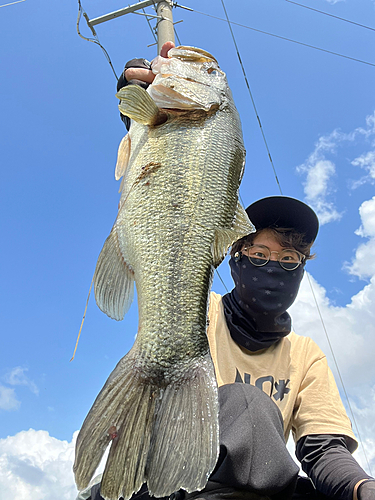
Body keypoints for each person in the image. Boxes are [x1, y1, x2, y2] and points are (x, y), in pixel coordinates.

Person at [77, 43, 375, 500]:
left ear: (301, 271)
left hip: (262, 488)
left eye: (289, 260)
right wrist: (138, 115)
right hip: (175, 485)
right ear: (232, 256)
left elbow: (323, 449)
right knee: (241, 407)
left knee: (254, 414)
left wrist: (361, 488)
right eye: (258, 252)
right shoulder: (202, 313)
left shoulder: (305, 355)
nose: (272, 265)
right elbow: (167, 221)